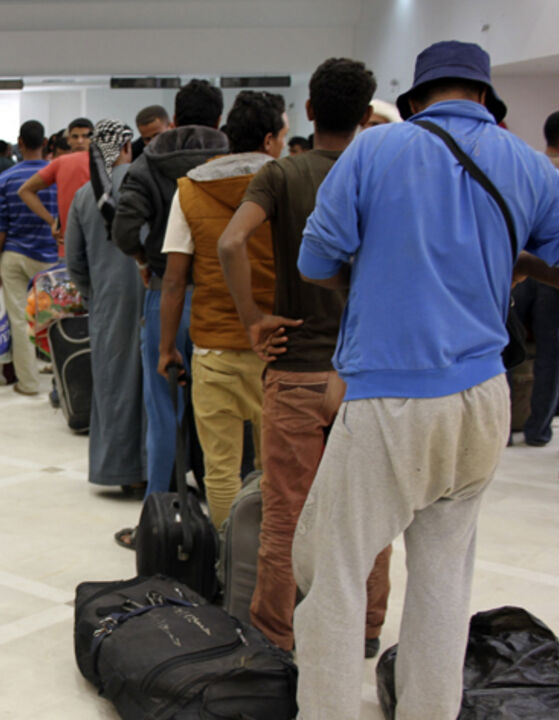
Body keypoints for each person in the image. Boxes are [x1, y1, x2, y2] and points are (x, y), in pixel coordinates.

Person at [291, 41, 559, 719]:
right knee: (444, 578)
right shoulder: (530, 164)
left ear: (415, 99)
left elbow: (315, 259)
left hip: (390, 396)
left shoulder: (375, 151)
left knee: (334, 571)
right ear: (485, 99)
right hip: (481, 397)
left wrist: (369, 278)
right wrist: (514, 267)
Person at [216, 57, 391, 658]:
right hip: (368, 374)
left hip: (294, 369)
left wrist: (253, 320)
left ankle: (275, 636)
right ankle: (365, 629)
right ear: (367, 116)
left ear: (310, 111)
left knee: (286, 512)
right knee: (368, 510)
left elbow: (231, 241)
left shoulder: (283, 174)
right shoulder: (382, 173)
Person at [158, 90, 286, 528]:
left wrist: (165, 348)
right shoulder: (290, 183)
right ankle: (269, 560)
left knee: (221, 468)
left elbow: (174, 280)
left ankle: (227, 560)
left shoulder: (190, 190)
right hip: (279, 347)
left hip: (213, 347)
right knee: (276, 469)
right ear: (269, 140)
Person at [112, 79, 228, 498]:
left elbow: (124, 228)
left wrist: (145, 258)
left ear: (174, 119)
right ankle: (225, 518)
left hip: (166, 297)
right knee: (228, 411)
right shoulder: (232, 160)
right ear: (219, 119)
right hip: (224, 298)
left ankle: (157, 513)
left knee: (163, 410)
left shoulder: (148, 163)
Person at [65, 120, 147, 490]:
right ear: (128, 146)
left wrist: (93, 295)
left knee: (114, 385)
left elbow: (75, 261)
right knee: (154, 385)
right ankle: (156, 471)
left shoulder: (85, 195)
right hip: (156, 298)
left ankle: (118, 470)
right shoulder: (152, 185)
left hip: (108, 304)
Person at [0, 121, 58, 396]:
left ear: (20, 142)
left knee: (20, 320)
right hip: (52, 256)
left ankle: (27, 383)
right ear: (45, 143)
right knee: (55, 319)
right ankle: (59, 381)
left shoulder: (7, 178)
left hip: (16, 254)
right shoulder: (55, 176)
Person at [17, 119, 97, 252]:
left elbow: (25, 191)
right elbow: (25, 191)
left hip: (78, 243)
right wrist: (53, 222)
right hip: (80, 243)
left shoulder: (61, 162)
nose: (80, 141)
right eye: (75, 136)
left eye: (85, 136)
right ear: (68, 140)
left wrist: (53, 222)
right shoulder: (61, 163)